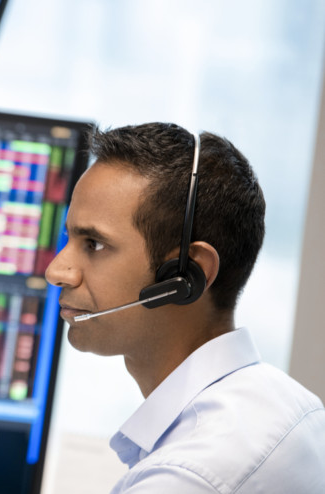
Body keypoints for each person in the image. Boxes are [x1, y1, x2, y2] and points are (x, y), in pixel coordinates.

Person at [44, 122, 325, 493]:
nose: (56, 271)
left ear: (186, 274)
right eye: (69, 237)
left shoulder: (186, 477)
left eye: (94, 244)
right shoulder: (293, 404)